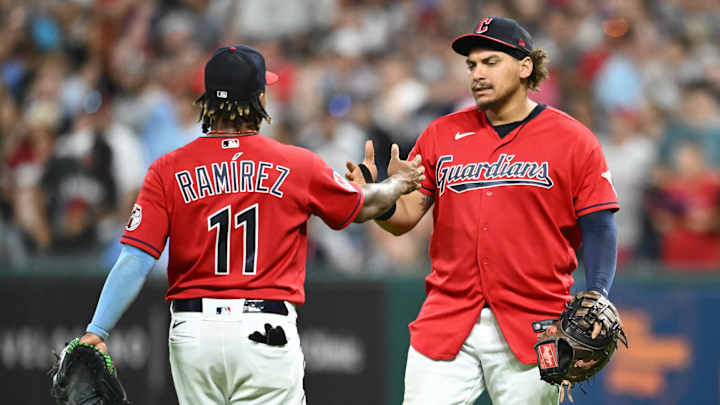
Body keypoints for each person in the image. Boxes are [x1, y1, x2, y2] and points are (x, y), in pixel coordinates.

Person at [76, 44, 425, 405]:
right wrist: (397, 185)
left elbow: (135, 259)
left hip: (193, 333)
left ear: (208, 101)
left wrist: (97, 329)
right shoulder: (295, 163)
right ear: (259, 98)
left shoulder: (167, 169)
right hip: (263, 328)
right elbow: (365, 205)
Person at [346, 17, 619, 405]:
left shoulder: (573, 139)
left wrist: (597, 292)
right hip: (447, 318)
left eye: (491, 62)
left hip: (536, 323)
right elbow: (404, 218)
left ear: (525, 67)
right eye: (472, 65)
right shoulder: (441, 133)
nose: (478, 73)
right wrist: (379, 198)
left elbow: (599, 226)